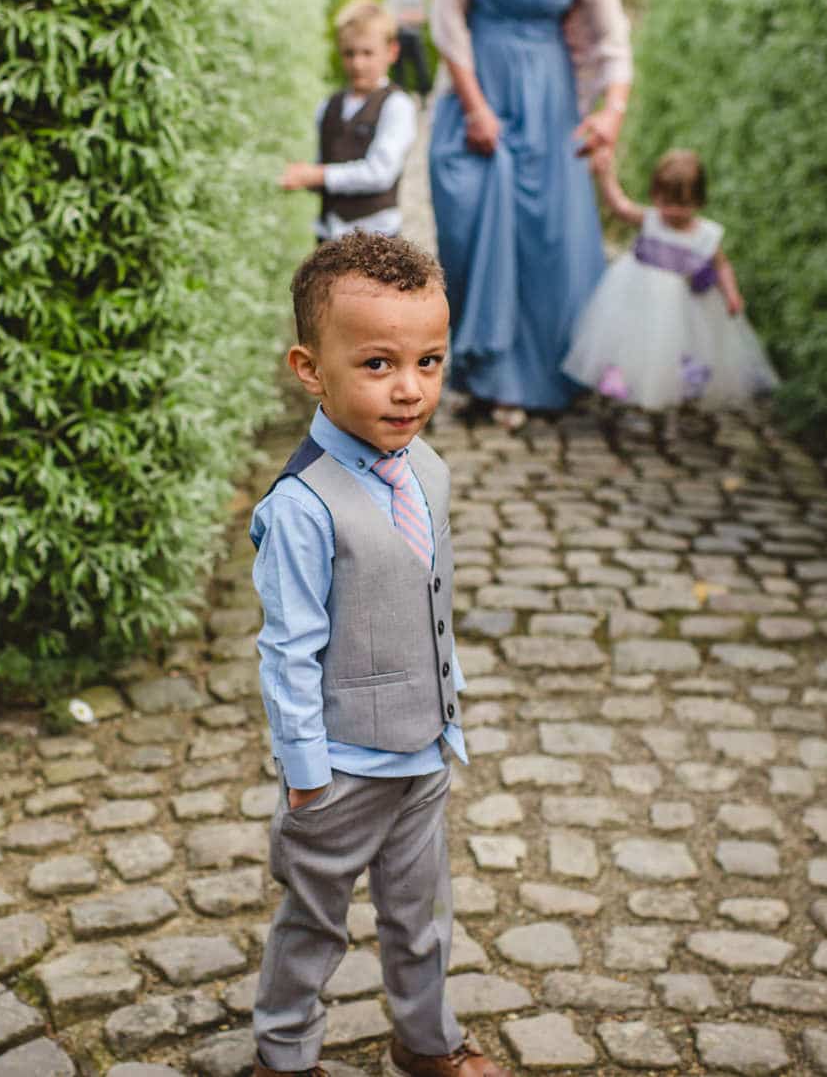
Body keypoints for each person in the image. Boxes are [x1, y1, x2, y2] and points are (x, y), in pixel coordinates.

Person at [249, 233, 506, 1077]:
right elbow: (288, 651)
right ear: (310, 367)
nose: (410, 388)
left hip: (422, 749)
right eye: (378, 364)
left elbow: (428, 604)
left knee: (423, 912)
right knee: (313, 923)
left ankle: (425, 1043)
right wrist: (306, 774)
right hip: (341, 768)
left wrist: (448, 706)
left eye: (430, 360)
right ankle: (286, 1057)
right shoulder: (302, 507)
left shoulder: (424, 468)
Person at [427, 0, 633, 432]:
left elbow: (611, 35)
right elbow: (446, 21)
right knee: (470, 234)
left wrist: (612, 113)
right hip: (478, 93)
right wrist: (475, 108)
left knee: (552, 245)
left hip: (552, 103)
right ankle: (484, 378)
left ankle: (550, 383)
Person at [560, 148, 779, 429]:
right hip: (640, 304)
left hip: (684, 314)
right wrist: (605, 175)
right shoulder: (651, 220)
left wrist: (731, 294)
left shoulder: (706, 234)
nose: (673, 212)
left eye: (682, 204)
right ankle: (635, 404)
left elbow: (722, 266)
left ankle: (682, 406)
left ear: (699, 200)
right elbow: (620, 206)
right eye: (666, 203)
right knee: (638, 353)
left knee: (682, 357)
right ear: (655, 195)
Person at [280, 0, 419, 243]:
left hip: (377, 237)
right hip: (329, 235)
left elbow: (380, 172)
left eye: (367, 53)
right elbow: (324, 163)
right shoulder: (328, 105)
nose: (357, 63)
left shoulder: (397, 105)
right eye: (349, 53)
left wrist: (318, 175)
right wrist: (303, 176)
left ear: (392, 52)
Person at [384, 0, 431, 96]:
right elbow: (391, 16)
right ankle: (401, 96)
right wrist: (410, 16)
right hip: (398, 36)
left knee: (422, 69)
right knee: (399, 73)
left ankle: (424, 97)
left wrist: (401, 16)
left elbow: (422, 16)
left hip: (415, 36)